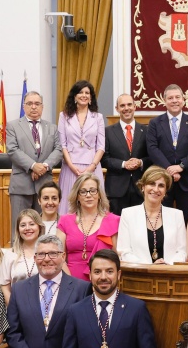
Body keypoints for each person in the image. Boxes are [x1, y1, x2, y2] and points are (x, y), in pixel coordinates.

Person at [145, 83, 188, 220]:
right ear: (164, 101)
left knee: (187, 220)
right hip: (162, 181)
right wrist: (169, 169)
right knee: (163, 220)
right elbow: (152, 149)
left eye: (177, 97)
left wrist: (181, 167)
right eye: (170, 98)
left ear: (183, 100)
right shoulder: (154, 123)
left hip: (187, 181)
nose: (174, 101)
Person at [7, 90, 63, 220]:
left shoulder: (52, 127)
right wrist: (33, 166)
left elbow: (59, 150)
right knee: (19, 225)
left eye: (37, 104)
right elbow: (12, 150)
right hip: (21, 185)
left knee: (44, 225)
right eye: (30, 103)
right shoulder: (13, 126)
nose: (33, 107)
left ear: (42, 107)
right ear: (24, 106)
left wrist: (44, 166)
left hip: (45, 186)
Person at [116, 165, 188, 264]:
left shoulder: (177, 215)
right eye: (152, 184)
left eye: (161, 186)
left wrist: (166, 265)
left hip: (169, 271)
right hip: (140, 272)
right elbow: (124, 252)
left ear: (165, 191)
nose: (156, 189)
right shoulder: (128, 214)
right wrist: (150, 267)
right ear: (143, 187)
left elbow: (182, 252)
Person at [58, 173, 120, 281]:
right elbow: (59, 256)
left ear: (99, 194)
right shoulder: (65, 220)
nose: (88, 195)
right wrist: (70, 282)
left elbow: (117, 257)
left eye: (93, 190)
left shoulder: (113, 221)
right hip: (69, 281)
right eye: (83, 191)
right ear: (77, 196)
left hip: (102, 281)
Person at [57, 80, 106, 215]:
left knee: (93, 205)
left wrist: (92, 166)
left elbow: (101, 146)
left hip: (92, 167)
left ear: (91, 98)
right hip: (71, 167)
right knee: (70, 207)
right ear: (74, 96)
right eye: (80, 92)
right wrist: (71, 165)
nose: (84, 95)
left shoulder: (98, 117)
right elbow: (62, 144)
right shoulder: (64, 116)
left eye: (87, 93)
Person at [102, 93, 150, 215]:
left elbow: (152, 157)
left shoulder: (147, 131)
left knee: (139, 224)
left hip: (140, 188)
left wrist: (140, 162)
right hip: (116, 190)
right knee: (117, 224)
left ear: (135, 107)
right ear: (117, 109)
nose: (126, 108)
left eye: (129, 105)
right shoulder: (107, 132)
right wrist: (123, 164)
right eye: (122, 105)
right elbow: (104, 159)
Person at [1, 209, 50, 283]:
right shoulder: (10, 254)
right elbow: (4, 284)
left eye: (32, 224)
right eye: (23, 225)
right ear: (18, 230)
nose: (27, 228)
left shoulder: (49, 252)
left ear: (39, 227)